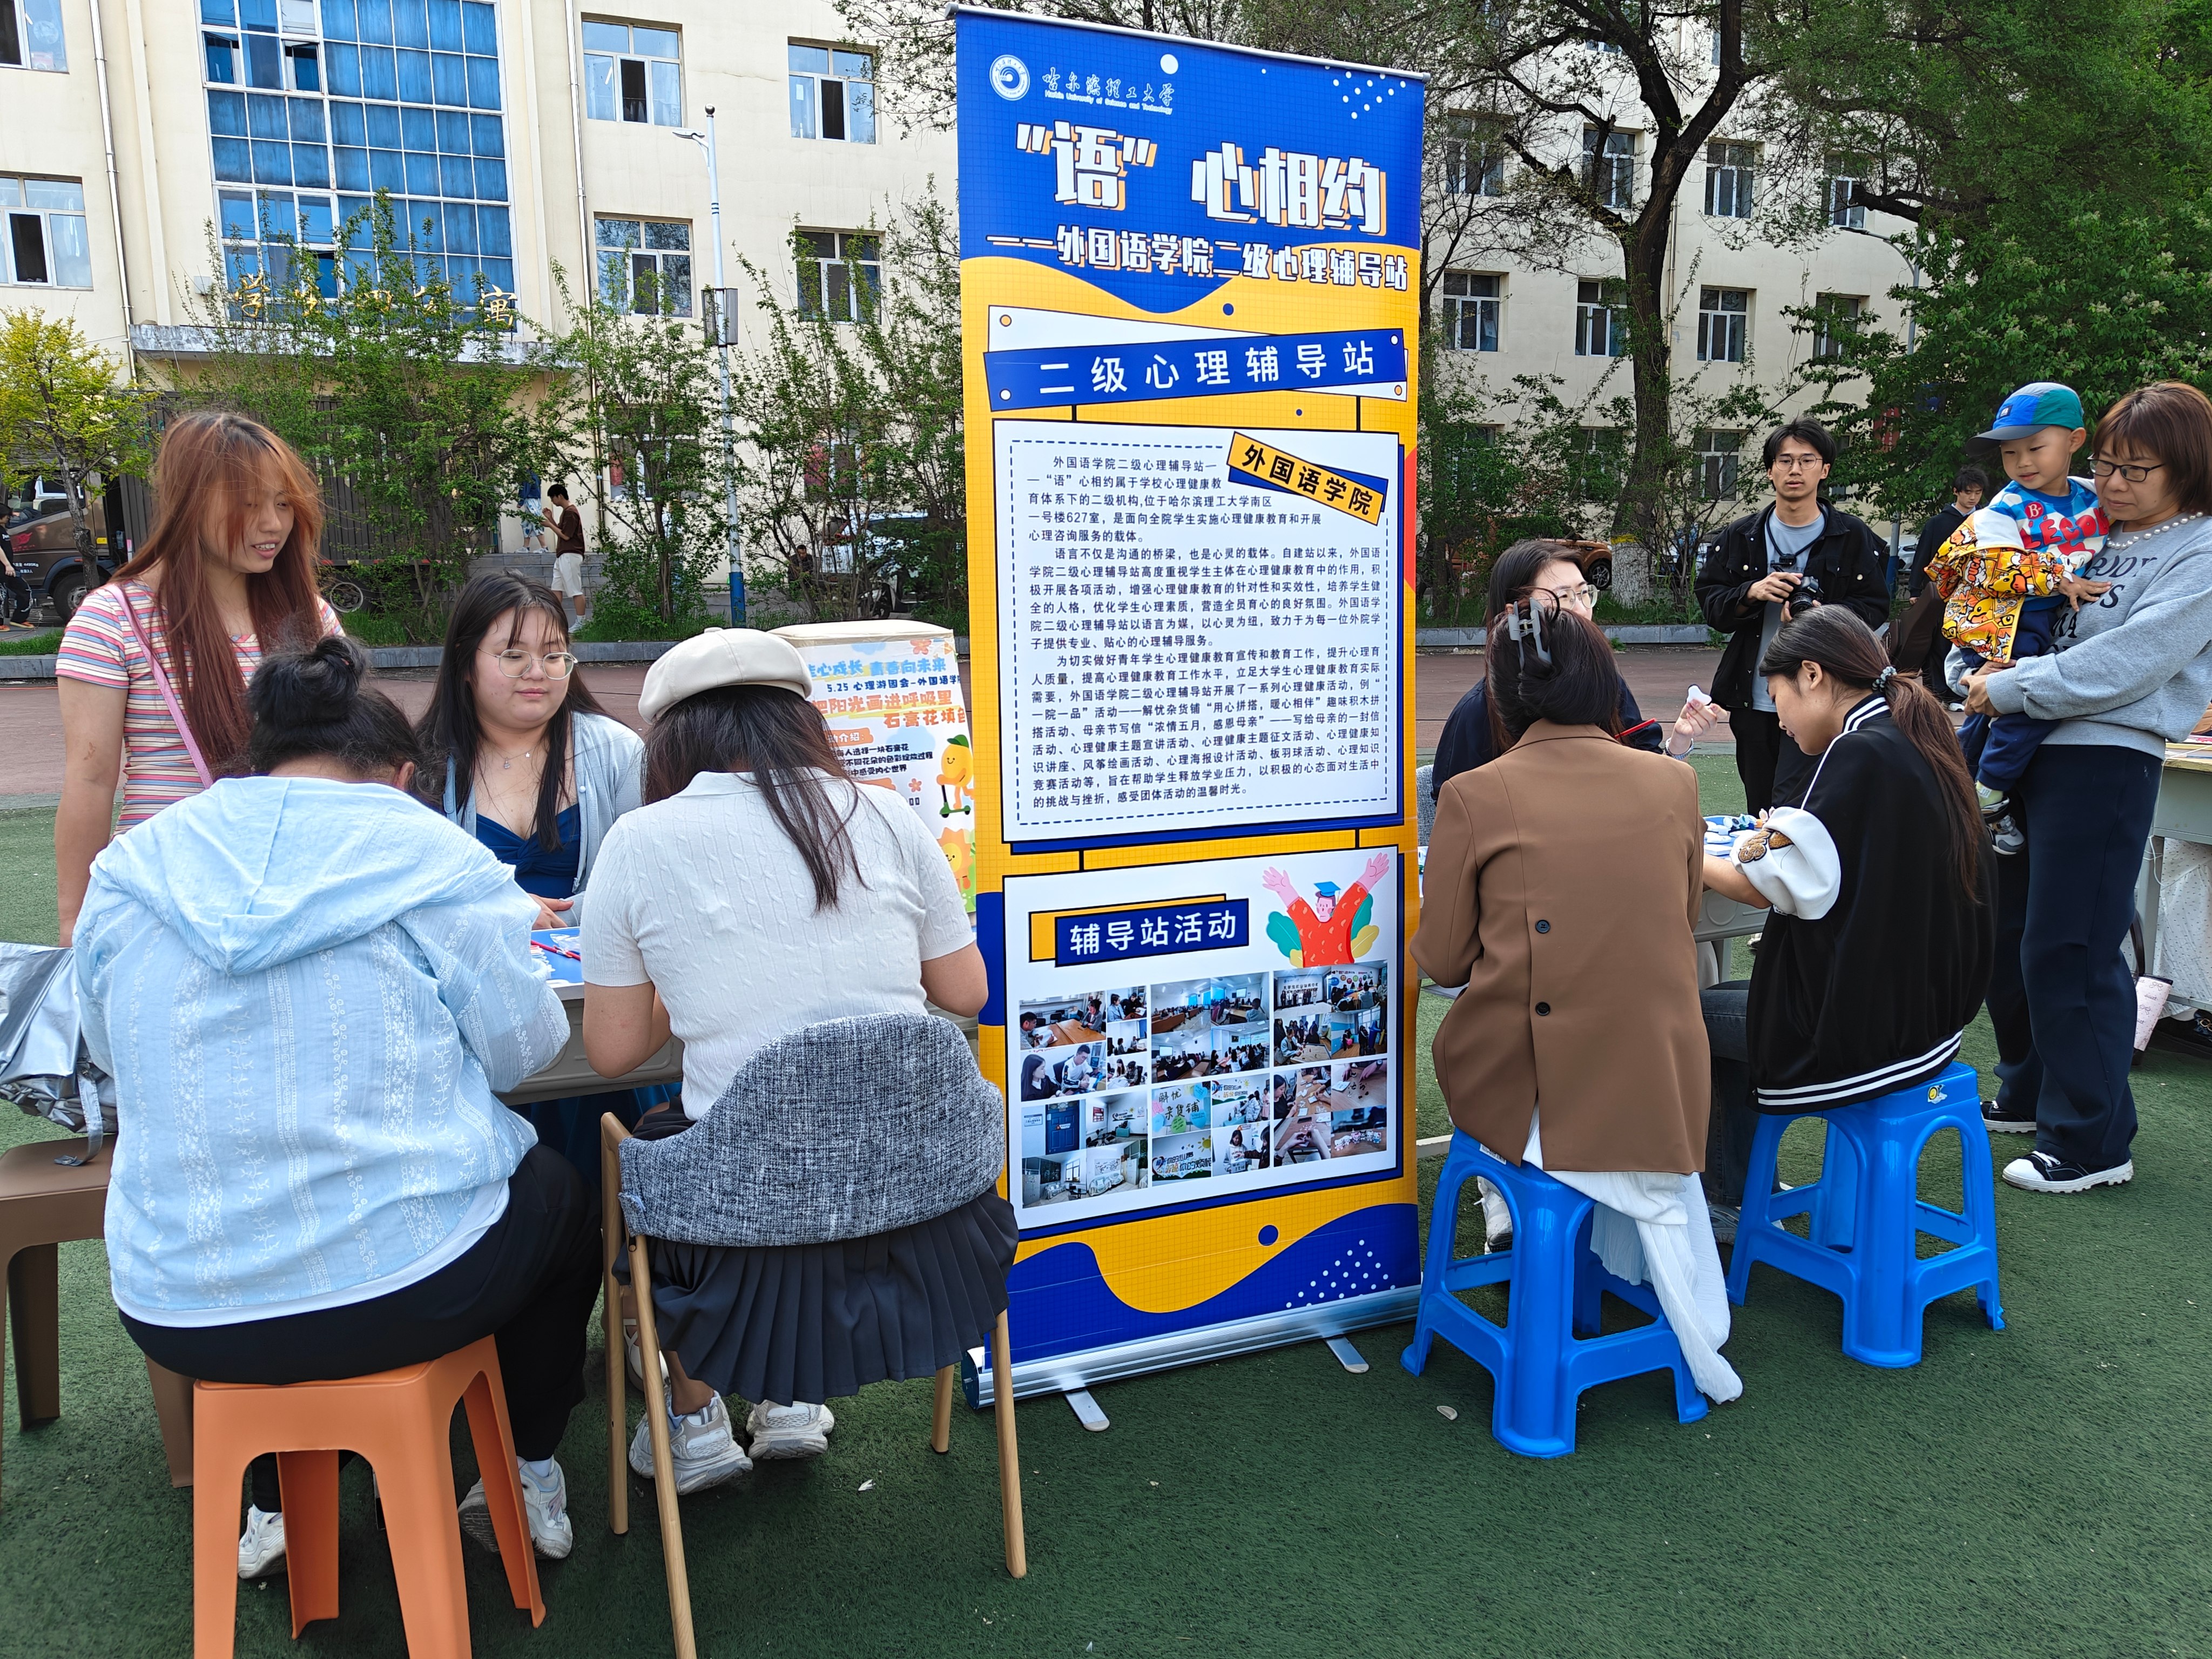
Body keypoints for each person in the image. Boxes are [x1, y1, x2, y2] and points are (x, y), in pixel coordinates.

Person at [75, 637, 596, 1574]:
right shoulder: (429, 853)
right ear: (401, 777)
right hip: (408, 1285)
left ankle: (276, 1500)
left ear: (257, 762)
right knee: (558, 1197)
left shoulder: (134, 865)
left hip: (179, 1305)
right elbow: (523, 1048)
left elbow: (110, 1053)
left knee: (277, 1272)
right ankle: (524, 1468)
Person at [581, 628, 996, 1491]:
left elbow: (614, 1051)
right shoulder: (885, 811)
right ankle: (790, 1400)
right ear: (803, 720)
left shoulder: (640, 840)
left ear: (671, 741)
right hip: (925, 1213)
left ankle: (696, 1418)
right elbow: (966, 992)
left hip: (744, 1227)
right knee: (773, 1141)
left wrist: (685, 974)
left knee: (653, 1142)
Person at [1412, 596, 1738, 1402]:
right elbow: (1677, 919)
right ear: (1603, 683)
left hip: (1531, 1087)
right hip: (1655, 1083)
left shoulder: (1475, 794)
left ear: (1500, 695)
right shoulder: (1673, 784)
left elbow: (1444, 958)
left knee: (1468, 1038)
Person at [1964, 381, 2212, 1192]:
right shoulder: (2075, 520)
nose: (2113, 484)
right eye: (2106, 465)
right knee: (2008, 935)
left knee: (2069, 945)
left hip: (2104, 758)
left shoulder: (2199, 549)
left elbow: (2130, 660)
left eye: (2136, 471)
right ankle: (2028, 1088)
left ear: (2187, 468)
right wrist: (1976, 661)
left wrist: (2011, 686)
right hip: (2022, 746)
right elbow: (1998, 595)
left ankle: (2092, 1141)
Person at [1700, 606, 1994, 1230]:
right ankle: (1741, 1193)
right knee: (1724, 1000)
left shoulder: (1858, 752)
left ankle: (1727, 1202)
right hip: (1933, 1019)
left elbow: (1761, 887)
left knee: (1687, 1014)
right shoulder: (1918, 734)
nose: (1778, 719)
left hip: (1865, 1031)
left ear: (1811, 675)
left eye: (1776, 697)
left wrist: (1676, 844)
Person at [54, 412, 345, 945]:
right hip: (163, 896)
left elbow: (350, 759)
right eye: (249, 504)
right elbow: (91, 779)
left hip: (293, 895)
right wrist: (74, 921)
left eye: (284, 504)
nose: (273, 524)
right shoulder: (113, 618)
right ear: (190, 501)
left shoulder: (313, 618)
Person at [415, 571, 659, 1183]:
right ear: (464, 663)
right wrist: (498, 910)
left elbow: (653, 880)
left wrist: (574, 914)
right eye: (513, 655)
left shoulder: (615, 752)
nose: (538, 672)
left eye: (554, 655)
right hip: (473, 1022)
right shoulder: (424, 767)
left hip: (597, 1009)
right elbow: (411, 900)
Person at [1926, 383, 2113, 853]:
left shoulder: (2094, 495)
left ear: (2074, 440)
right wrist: (2060, 578)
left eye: (2035, 448)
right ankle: (1991, 788)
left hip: (2045, 620)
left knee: (1987, 713)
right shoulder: (2003, 508)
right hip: (2009, 621)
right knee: (2030, 698)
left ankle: (1961, 783)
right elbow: (1995, 564)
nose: (2022, 462)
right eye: (2010, 453)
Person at [1695, 419, 1893, 812]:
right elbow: (1712, 606)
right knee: (1761, 806)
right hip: (1755, 697)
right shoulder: (1741, 536)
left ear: (1825, 469)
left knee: (1809, 806)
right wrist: (1751, 593)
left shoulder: (1853, 537)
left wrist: (1824, 618)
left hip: (1824, 699)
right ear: (1770, 470)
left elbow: (1873, 607)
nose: (1795, 470)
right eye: (1784, 461)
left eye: (1807, 460)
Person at [1432, 538, 1718, 794]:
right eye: (1564, 597)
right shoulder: (1477, 711)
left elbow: (1650, 775)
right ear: (1516, 616)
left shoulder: (1607, 685)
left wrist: (1680, 740)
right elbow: (1458, 809)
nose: (1582, 609)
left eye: (1583, 593)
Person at [1910, 464, 1990, 597]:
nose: (1973, 498)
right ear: (1956, 491)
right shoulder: (1937, 523)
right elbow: (1922, 556)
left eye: (1978, 493)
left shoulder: (1986, 521)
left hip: (1977, 588)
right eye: (1968, 492)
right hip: (1942, 588)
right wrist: (1915, 590)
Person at [541, 483, 588, 623]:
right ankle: (555, 620)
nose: (552, 501)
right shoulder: (567, 512)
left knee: (575, 590)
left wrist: (550, 525)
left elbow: (566, 536)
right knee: (556, 588)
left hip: (570, 554)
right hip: (563, 555)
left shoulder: (571, 512)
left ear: (560, 496)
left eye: (553, 498)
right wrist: (551, 519)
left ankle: (581, 622)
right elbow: (562, 531)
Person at [0, 541, 31, 630]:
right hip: (4, 567)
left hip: (8, 567)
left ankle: (19, 619)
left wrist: (9, 565)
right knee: (1, 595)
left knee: (24, 590)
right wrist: (7, 565)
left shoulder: (4, 532)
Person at [518, 471, 548, 554]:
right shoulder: (536, 474)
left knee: (535, 522)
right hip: (536, 499)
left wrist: (520, 502)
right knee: (527, 523)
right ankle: (526, 547)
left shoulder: (527, 475)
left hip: (530, 500)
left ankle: (544, 547)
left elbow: (525, 488)